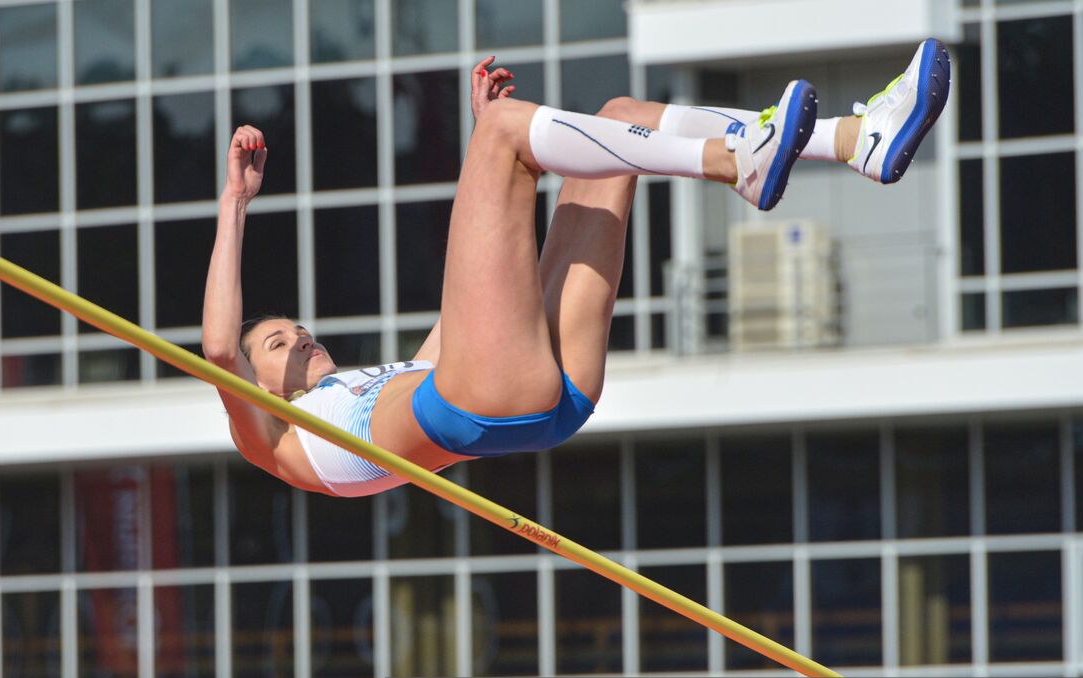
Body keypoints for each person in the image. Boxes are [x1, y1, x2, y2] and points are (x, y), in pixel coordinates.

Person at [202, 40, 950, 497]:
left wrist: (494, 173)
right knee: (505, 132)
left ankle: (855, 139)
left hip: (541, 390)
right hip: (490, 400)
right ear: (257, 388)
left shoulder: (377, 386)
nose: (299, 337)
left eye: (294, 329)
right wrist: (235, 202)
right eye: (278, 345)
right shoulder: (278, 441)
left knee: (625, 113)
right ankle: (739, 162)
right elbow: (216, 350)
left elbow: (477, 302)